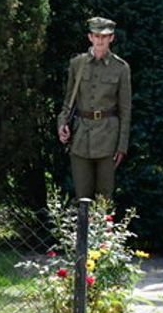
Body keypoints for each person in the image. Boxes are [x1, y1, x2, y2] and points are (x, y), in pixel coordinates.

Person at [57, 17, 132, 202]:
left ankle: (102, 231)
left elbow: (125, 109)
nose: (100, 41)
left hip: (108, 138)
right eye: (96, 36)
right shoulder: (77, 64)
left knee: (104, 198)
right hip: (80, 136)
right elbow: (69, 100)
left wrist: (122, 145)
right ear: (90, 37)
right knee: (82, 196)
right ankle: (83, 231)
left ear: (111, 38)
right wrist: (61, 125)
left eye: (104, 37)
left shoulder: (121, 68)